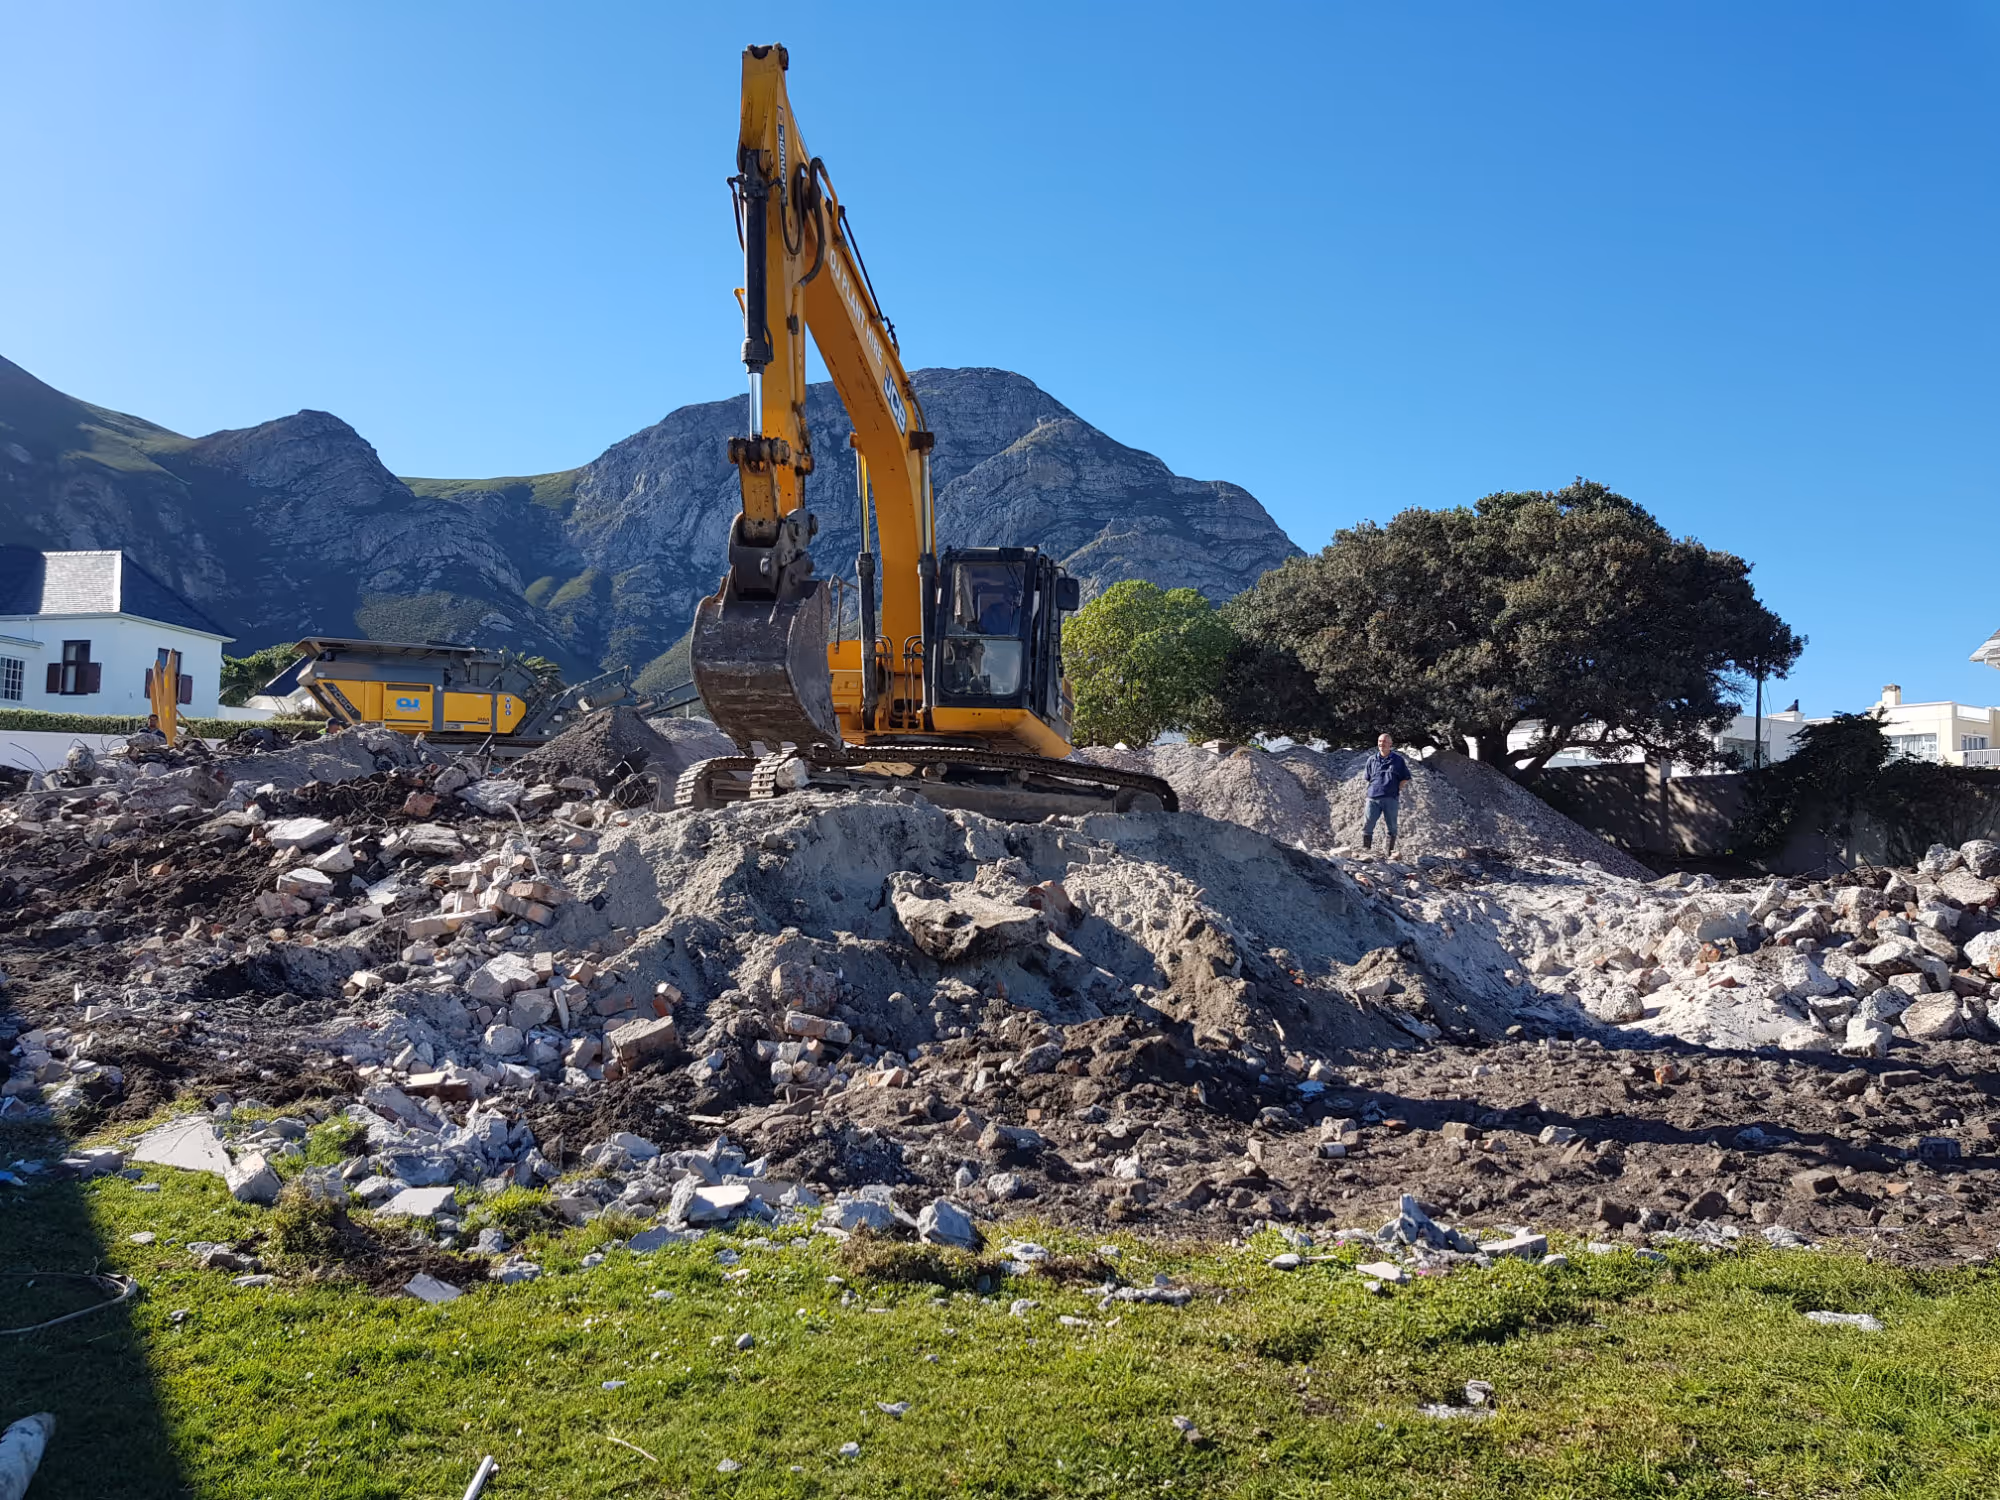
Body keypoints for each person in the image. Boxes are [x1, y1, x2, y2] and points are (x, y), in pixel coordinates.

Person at [1361, 732, 1411, 854]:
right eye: (1379, 741)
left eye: (1384, 742)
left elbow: (1405, 777)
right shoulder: (1371, 760)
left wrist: (1397, 789)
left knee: (1392, 827)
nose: (1381, 744)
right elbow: (1368, 777)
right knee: (1368, 824)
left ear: (1390, 744)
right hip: (1373, 798)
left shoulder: (1398, 760)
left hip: (1390, 798)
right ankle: (1366, 850)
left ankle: (1389, 852)